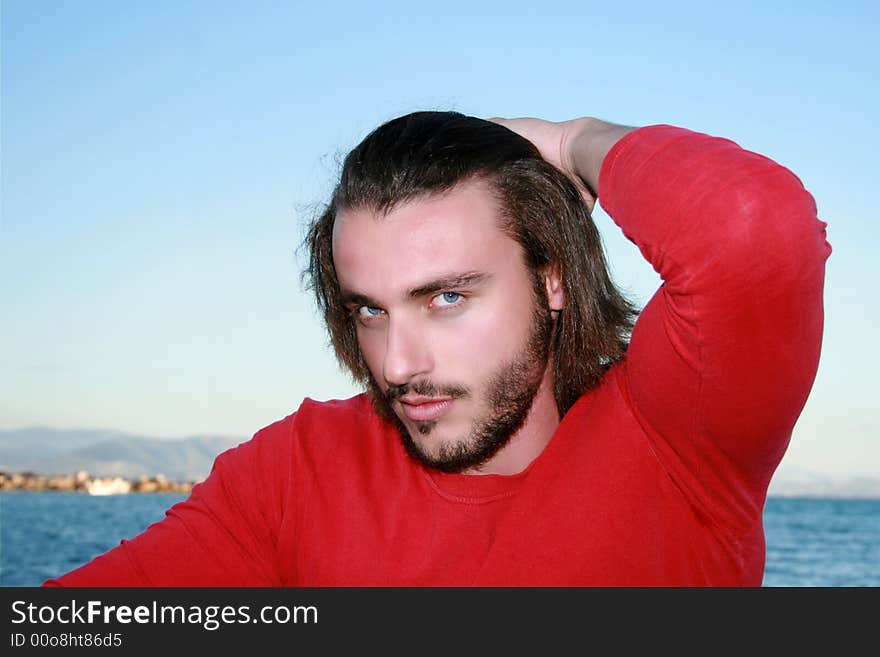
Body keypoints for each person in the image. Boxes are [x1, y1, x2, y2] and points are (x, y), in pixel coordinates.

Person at [44, 111, 830, 586]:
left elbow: (753, 229)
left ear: (551, 277)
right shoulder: (299, 470)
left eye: (446, 297)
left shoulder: (677, 443)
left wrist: (567, 139)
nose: (395, 364)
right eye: (369, 310)